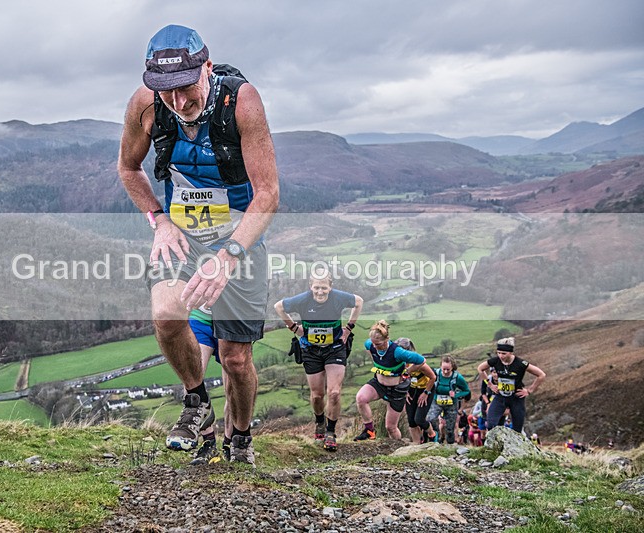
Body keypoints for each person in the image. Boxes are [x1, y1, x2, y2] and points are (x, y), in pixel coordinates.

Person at [118, 24, 279, 465]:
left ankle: (240, 437)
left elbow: (267, 194)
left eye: (188, 88)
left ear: (207, 68)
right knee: (167, 315)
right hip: (183, 236)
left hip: (238, 237)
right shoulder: (146, 105)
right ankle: (196, 404)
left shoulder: (241, 102)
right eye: (167, 92)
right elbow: (129, 169)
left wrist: (230, 255)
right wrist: (159, 220)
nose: (179, 102)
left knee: (235, 359)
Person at [274, 271, 363, 451]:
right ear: (310, 287)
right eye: (316, 287)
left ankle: (331, 432)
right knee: (317, 396)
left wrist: (348, 328)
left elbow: (359, 301)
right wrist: (293, 327)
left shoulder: (338, 298)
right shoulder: (303, 300)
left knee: (334, 393)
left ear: (330, 287)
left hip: (335, 348)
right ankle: (320, 422)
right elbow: (278, 306)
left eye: (324, 288)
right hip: (311, 350)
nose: (320, 291)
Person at [354, 320, 428, 441]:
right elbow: (368, 347)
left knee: (391, 427)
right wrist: (376, 360)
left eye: (378, 344)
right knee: (361, 398)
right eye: (373, 343)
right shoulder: (370, 345)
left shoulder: (398, 352)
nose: (374, 346)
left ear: (387, 339)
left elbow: (421, 360)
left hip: (396, 391)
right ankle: (369, 431)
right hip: (378, 384)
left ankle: (397, 447)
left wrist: (407, 372)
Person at [187, 307, 232, 465]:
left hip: (232, 320)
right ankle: (209, 442)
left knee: (232, 391)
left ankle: (229, 443)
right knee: (191, 382)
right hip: (200, 316)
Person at [477, 337, 546, 435]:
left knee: (517, 429)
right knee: (491, 424)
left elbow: (541, 375)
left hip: (516, 397)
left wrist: (529, 390)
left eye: (504, 353)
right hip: (501, 396)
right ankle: (494, 447)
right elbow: (480, 369)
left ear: (511, 353)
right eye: (499, 352)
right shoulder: (495, 361)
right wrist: (490, 385)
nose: (501, 356)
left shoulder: (520, 363)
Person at [399, 338, 437, 444]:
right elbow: (400, 378)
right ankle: (416, 445)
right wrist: (405, 392)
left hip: (426, 389)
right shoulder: (399, 363)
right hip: (411, 389)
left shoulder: (418, 363)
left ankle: (431, 433)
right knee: (411, 421)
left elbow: (433, 377)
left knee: (419, 419)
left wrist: (426, 393)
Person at [425, 356, 471, 444]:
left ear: (452, 368)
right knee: (430, 419)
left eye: (448, 370)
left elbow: (467, 391)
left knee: (450, 428)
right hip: (436, 401)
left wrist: (456, 395)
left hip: (451, 404)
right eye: (444, 369)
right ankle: (436, 439)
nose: (445, 372)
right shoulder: (435, 373)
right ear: (440, 367)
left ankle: (450, 445)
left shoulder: (457, 377)